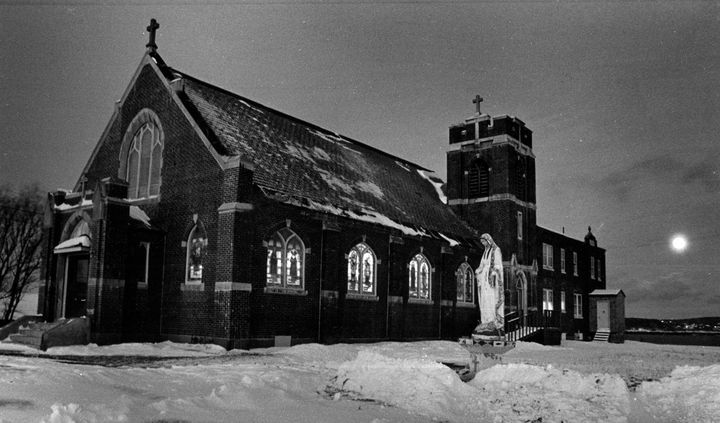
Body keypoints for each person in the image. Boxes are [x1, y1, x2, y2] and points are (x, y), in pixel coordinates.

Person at [474, 233, 504, 339]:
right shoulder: (485, 252)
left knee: (491, 300)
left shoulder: (496, 250)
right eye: (482, 243)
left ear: (489, 240)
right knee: (484, 300)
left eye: (484, 242)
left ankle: (492, 320)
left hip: (492, 280)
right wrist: (478, 270)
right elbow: (482, 264)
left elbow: (498, 265)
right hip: (484, 279)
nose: (483, 244)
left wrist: (493, 273)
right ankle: (485, 321)